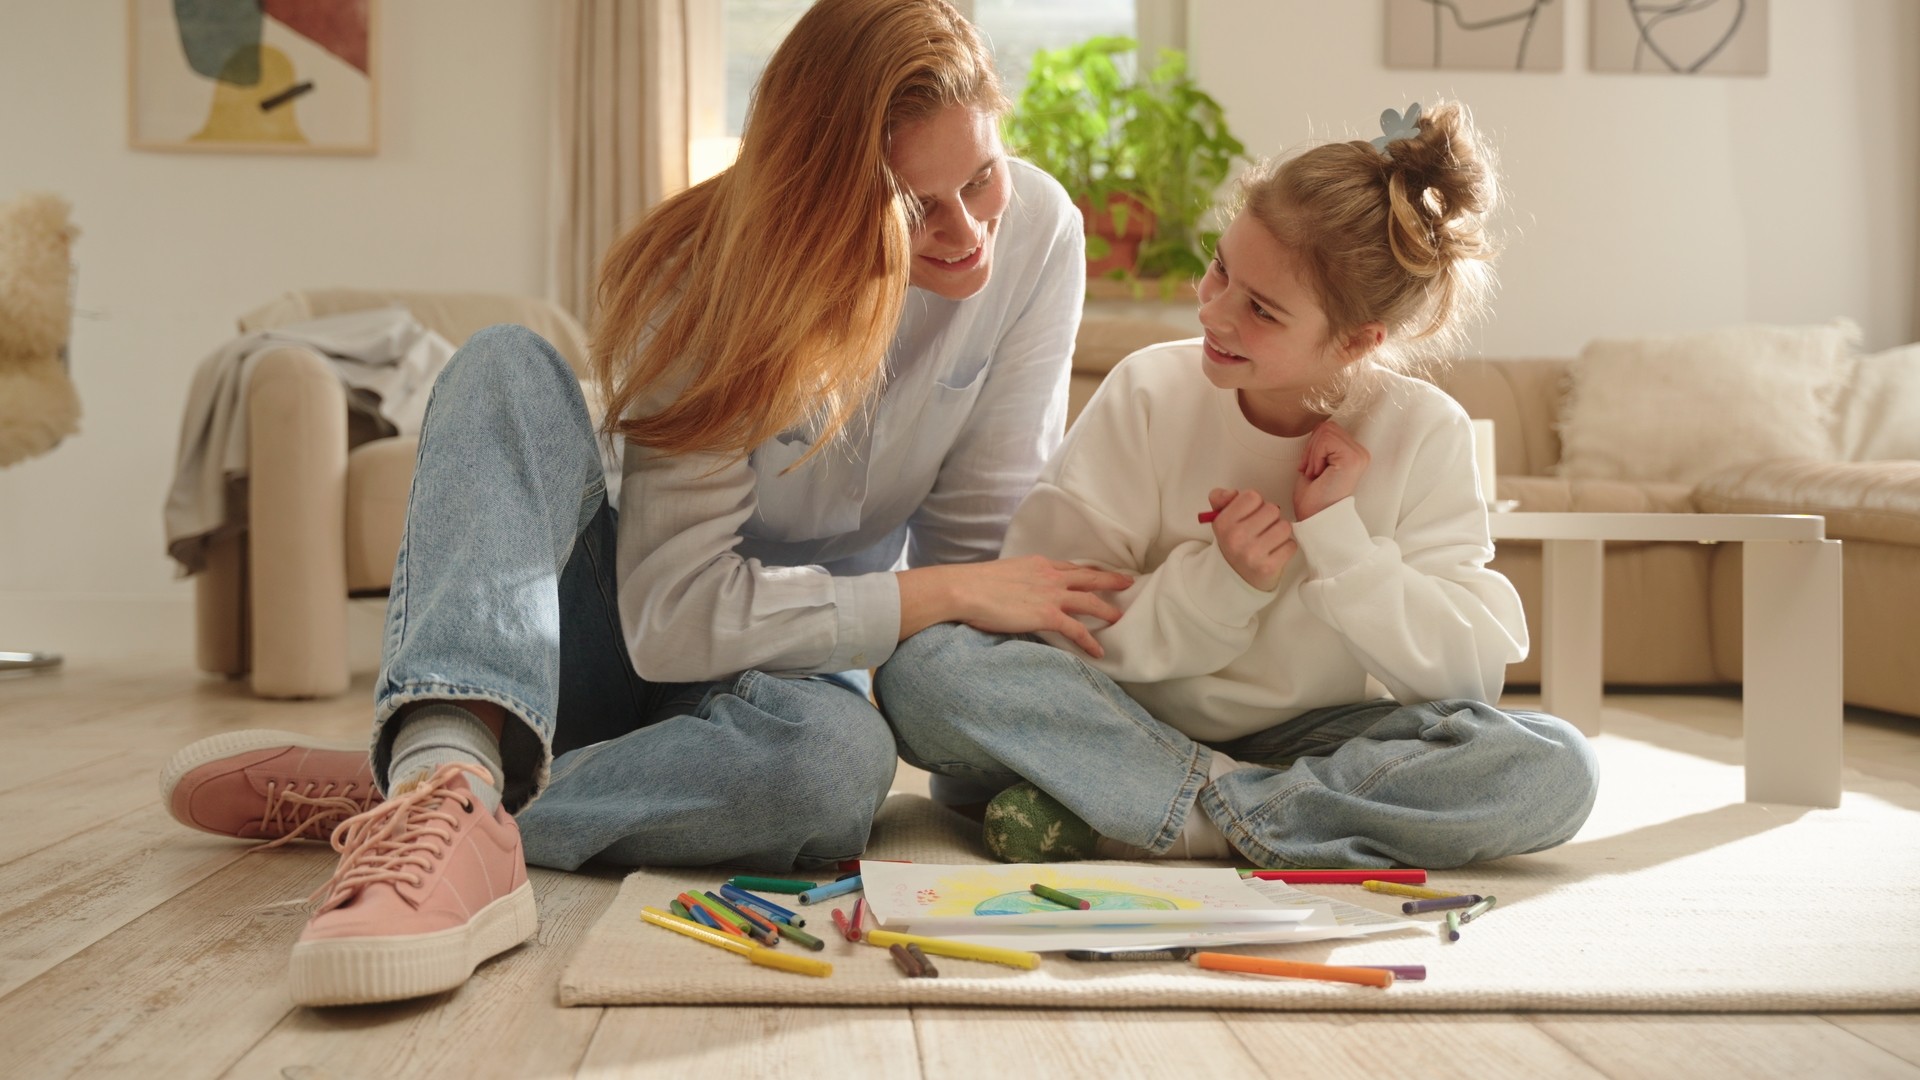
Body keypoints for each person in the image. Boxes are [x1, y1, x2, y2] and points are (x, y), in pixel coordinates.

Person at [156, 0, 1127, 1007]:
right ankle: (448, 766)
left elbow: (979, 559)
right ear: (821, 197)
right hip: (605, 626)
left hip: (786, 659)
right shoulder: (704, 273)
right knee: (501, 364)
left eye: (979, 178)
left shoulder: (1039, 235)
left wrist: (994, 754)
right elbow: (672, 623)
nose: (968, 232)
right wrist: (938, 598)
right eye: (916, 207)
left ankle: (439, 796)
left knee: (836, 765)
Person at [876, 100, 1600, 871]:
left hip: (1310, 738)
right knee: (927, 672)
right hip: (1119, 718)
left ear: (1357, 340)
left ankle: (1171, 818)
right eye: (1222, 268)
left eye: (1260, 310)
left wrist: (1342, 547)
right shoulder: (1150, 389)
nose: (1215, 312)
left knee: (1554, 766)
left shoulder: (1426, 432)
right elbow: (1051, 618)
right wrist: (1219, 586)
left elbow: (1467, 679)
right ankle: (1238, 811)